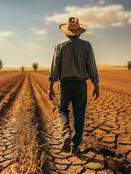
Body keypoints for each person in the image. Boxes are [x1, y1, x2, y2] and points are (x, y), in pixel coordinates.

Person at [48, 17, 100, 155]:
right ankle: (75, 146)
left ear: (66, 32)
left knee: (62, 110)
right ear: (80, 31)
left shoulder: (59, 46)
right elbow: (91, 67)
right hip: (80, 85)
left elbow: (54, 67)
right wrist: (96, 84)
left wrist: (51, 85)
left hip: (64, 84)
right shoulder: (87, 45)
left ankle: (65, 133)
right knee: (79, 115)